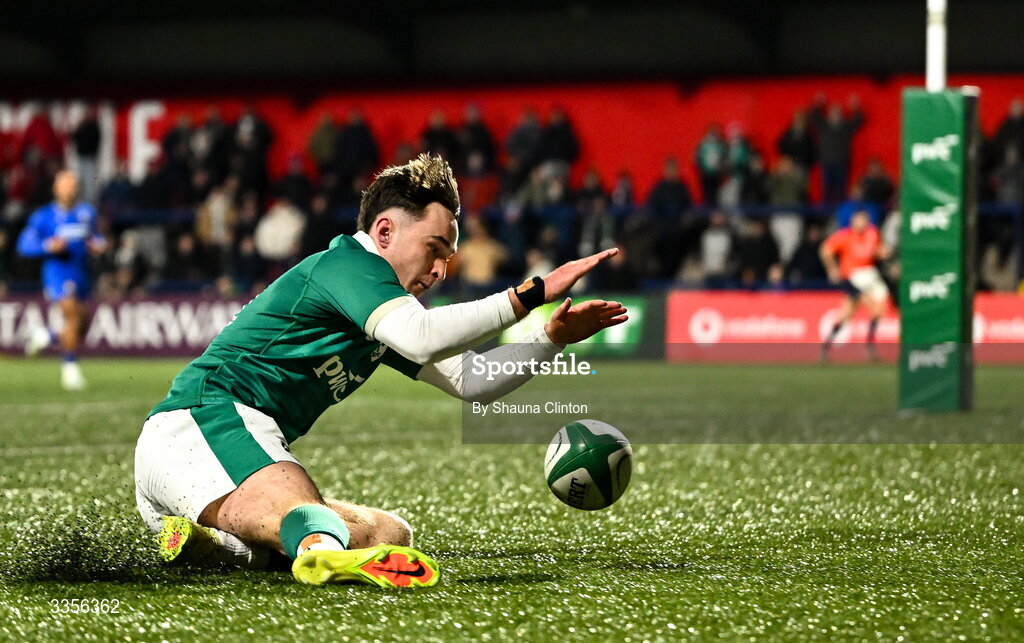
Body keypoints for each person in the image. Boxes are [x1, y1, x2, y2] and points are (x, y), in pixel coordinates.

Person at [135, 155, 627, 588]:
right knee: (305, 516)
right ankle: (318, 555)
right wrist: (529, 296)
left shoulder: (381, 310)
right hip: (201, 425)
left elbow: (473, 381)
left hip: (212, 467)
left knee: (390, 534)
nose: (440, 272)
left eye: (448, 258)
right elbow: (421, 334)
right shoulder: (348, 267)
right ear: (385, 231)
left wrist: (550, 339)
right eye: (434, 249)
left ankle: (216, 547)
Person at [15, 170, 106, 390]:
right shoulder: (43, 216)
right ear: (56, 188)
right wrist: (48, 245)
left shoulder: (87, 213)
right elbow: (24, 245)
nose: (71, 188)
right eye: (66, 184)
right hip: (57, 273)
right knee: (72, 313)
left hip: (82, 273)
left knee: (80, 325)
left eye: (73, 184)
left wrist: (99, 244)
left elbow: (96, 236)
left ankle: (46, 335)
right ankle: (70, 370)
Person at [819, 209, 892, 362]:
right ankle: (868, 348)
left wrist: (884, 253)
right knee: (871, 308)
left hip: (870, 275)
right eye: (858, 220)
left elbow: (877, 251)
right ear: (852, 222)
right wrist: (832, 268)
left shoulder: (873, 233)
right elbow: (825, 250)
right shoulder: (844, 236)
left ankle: (827, 347)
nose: (861, 224)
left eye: (864, 220)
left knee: (851, 314)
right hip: (852, 277)